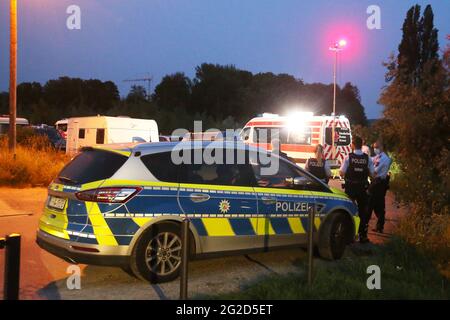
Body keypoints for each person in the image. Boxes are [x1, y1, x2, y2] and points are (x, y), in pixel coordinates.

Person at [339, 136, 375, 243]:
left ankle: (347, 236)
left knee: (348, 210)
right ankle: (362, 235)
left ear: (353, 145)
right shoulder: (367, 158)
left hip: (350, 188)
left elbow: (341, 172)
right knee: (363, 212)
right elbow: (372, 174)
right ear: (362, 144)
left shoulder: (348, 157)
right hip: (363, 188)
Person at [368, 140, 392, 233]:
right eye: (374, 147)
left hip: (379, 183)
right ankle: (379, 226)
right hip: (377, 183)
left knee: (371, 204)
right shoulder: (378, 156)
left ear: (382, 147)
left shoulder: (384, 159)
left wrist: (368, 171)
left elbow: (374, 171)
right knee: (379, 205)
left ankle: (367, 226)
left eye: (376, 147)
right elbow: (371, 160)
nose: (375, 149)